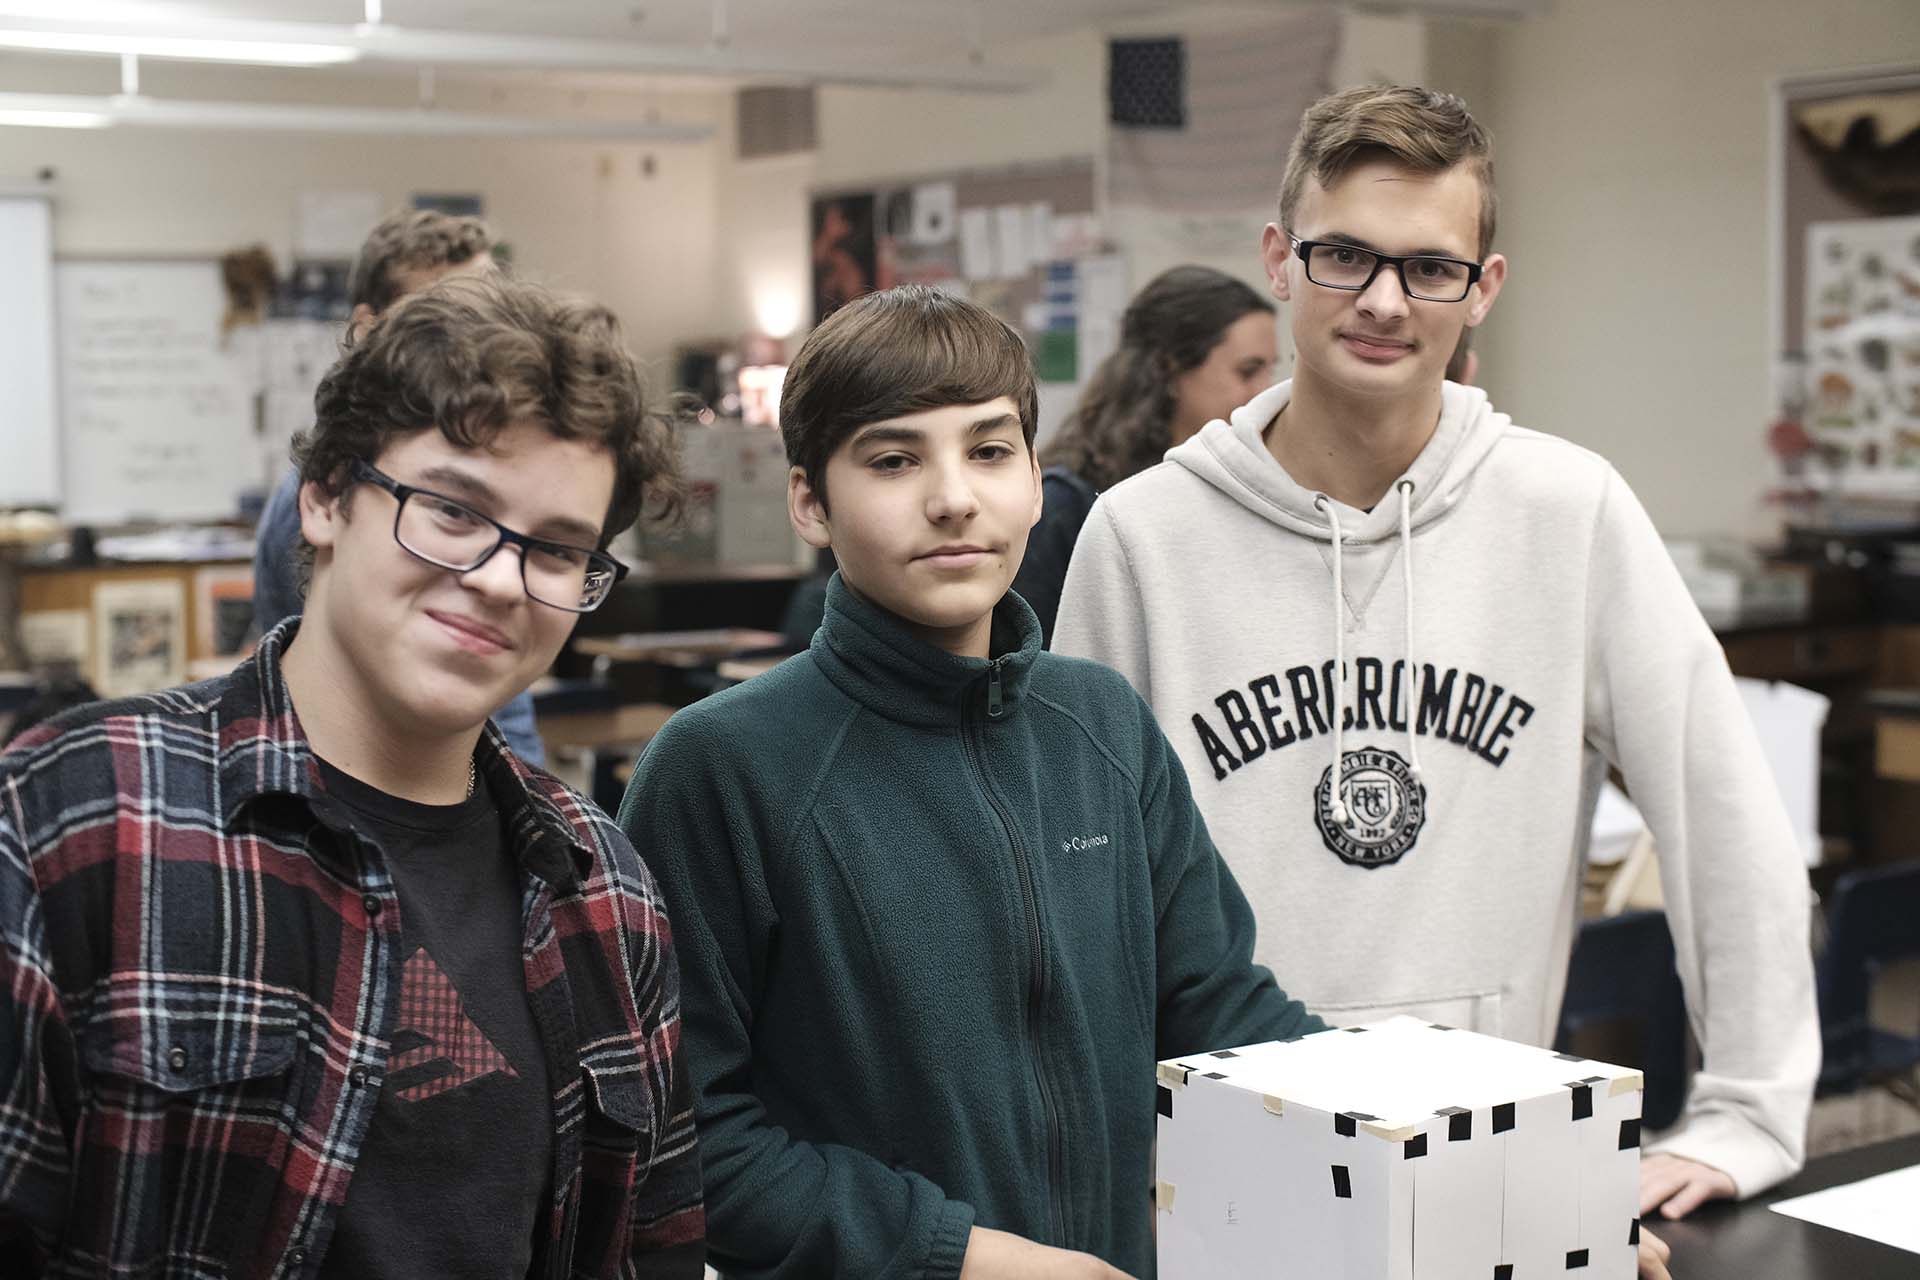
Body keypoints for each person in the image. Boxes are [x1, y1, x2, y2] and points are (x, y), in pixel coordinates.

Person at [1056, 83, 1817, 1265]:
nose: (1382, 299)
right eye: (1345, 255)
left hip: (1489, 1164)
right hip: (1211, 1178)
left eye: (1428, 267)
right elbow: (1073, 884)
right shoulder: (1142, 535)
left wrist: (1751, 1108)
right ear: (1280, 259)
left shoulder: (1568, 511)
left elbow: (1724, 809)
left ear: (1484, 289)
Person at [0, 275, 704, 1278]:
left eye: (556, 550)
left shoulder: (605, 889)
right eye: (452, 509)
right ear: (326, 497)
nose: (499, 578)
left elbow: (653, 1247)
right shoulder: (73, 815)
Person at [618, 284, 1323, 1279]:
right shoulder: (721, 766)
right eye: (894, 460)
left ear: (1035, 480)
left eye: (989, 451)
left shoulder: (1102, 726)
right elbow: (689, 1136)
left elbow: (1223, 1013)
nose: (953, 497)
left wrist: (1454, 1124)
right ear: (809, 501)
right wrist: (960, 1258)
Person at [251, 207, 547, 764]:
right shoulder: (325, 497)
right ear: (368, 328)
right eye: (445, 317)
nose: (478, 341)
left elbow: (502, 709)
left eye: (489, 312)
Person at [1012, 266, 1276, 644]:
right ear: (1171, 369)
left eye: (1270, 371)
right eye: (1248, 371)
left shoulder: (1242, 494)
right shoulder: (1067, 508)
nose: (1265, 392)